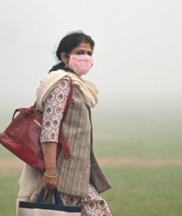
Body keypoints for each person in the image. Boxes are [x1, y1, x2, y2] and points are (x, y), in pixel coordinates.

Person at [16, 31, 112, 216]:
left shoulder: (77, 85)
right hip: (62, 175)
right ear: (65, 56)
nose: (86, 57)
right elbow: (49, 131)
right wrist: (51, 173)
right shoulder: (62, 84)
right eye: (80, 52)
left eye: (89, 53)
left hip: (77, 173)